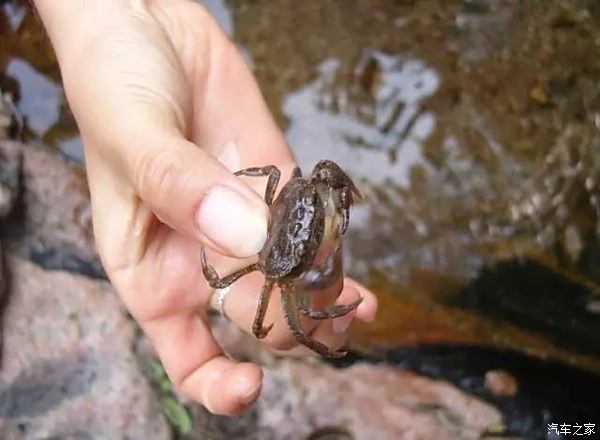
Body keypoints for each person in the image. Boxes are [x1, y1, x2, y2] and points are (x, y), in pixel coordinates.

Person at [33, 0, 378, 415]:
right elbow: (269, 317)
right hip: (275, 259)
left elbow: (284, 174)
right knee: (305, 318)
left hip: (287, 215)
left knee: (321, 187)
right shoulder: (271, 276)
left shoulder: (302, 186)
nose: (309, 239)